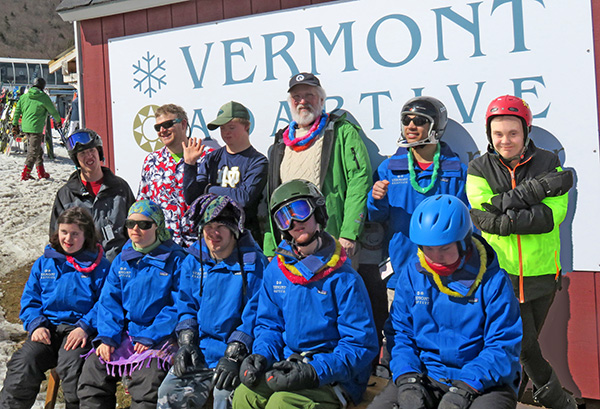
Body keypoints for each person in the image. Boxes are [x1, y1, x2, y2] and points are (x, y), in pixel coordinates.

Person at [466, 95, 574, 409]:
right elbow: (482, 212)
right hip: (503, 274)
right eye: (498, 134)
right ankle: (559, 402)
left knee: (525, 348)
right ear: (489, 135)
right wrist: (533, 193)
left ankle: (509, 399)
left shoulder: (547, 161)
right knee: (523, 346)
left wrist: (506, 217)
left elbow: (554, 215)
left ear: (525, 132)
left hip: (543, 273)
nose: (505, 140)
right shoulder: (478, 167)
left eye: (513, 133)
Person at [232, 179, 379, 409]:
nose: (294, 222)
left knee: (281, 404)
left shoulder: (344, 278)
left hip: (332, 376)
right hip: (288, 365)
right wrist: (261, 356)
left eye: (300, 211)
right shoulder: (277, 271)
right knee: (244, 395)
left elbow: (360, 345)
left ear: (318, 212)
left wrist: (313, 371)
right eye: (284, 217)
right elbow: (269, 326)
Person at [369, 194, 522, 409]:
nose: (434, 257)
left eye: (444, 248)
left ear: (464, 242)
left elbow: (502, 345)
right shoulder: (413, 275)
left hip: (485, 382)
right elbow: (400, 334)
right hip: (427, 375)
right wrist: (408, 379)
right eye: (427, 249)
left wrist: (465, 388)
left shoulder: (493, 281)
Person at [157, 194, 268, 409]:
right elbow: (186, 304)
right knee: (168, 392)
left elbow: (256, 314)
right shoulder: (193, 260)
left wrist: (236, 352)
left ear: (234, 229)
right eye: (208, 225)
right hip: (200, 351)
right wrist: (187, 341)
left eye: (221, 226)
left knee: (224, 397)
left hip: (235, 355)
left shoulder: (254, 264)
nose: (213, 233)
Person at [77, 200, 187, 409]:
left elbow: (178, 305)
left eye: (144, 224)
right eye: (130, 223)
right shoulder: (122, 259)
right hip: (126, 332)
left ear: (158, 226)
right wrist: (108, 336)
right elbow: (110, 301)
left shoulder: (176, 260)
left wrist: (152, 335)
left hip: (159, 336)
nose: (136, 229)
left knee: (148, 379)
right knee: (94, 370)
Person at [0, 207, 110, 409]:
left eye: (75, 233)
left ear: (85, 235)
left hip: (78, 330)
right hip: (47, 328)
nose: (68, 238)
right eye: (64, 232)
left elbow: (106, 303)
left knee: (73, 366)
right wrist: (36, 324)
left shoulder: (100, 266)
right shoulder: (45, 263)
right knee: (24, 362)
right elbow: (30, 299)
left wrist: (85, 326)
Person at [367, 96, 468, 302]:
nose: (411, 126)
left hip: (448, 273)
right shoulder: (389, 169)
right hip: (402, 270)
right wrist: (375, 199)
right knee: (399, 331)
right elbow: (376, 217)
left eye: (420, 121)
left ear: (436, 127)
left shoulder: (457, 171)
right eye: (406, 120)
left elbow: (466, 224)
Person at [263, 72, 372, 260]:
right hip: (290, 243)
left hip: (332, 240)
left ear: (321, 100)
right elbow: (270, 197)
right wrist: (271, 246)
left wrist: (349, 233)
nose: (302, 101)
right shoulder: (281, 141)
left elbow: (359, 182)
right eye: (296, 97)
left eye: (309, 95)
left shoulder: (341, 131)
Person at [182, 101, 268, 241]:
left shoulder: (258, 161)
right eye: (222, 128)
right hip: (212, 238)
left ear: (247, 126)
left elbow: (243, 198)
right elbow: (192, 197)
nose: (226, 132)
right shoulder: (212, 158)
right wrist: (190, 165)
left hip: (245, 239)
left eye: (231, 127)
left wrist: (210, 189)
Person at [50, 128, 135, 262]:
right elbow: (56, 238)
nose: (89, 156)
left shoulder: (120, 188)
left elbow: (134, 229)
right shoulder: (66, 195)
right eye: (82, 153)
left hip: (117, 265)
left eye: (92, 151)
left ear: (99, 152)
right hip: (82, 268)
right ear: (76, 159)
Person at [138, 103, 212, 247]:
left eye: (167, 124)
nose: (162, 130)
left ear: (183, 124)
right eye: (157, 127)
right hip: (164, 245)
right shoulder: (151, 161)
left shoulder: (207, 156)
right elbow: (143, 202)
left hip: (200, 245)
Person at [12, 77, 61, 180]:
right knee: (33, 152)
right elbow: (53, 111)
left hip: (25, 127)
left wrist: (15, 125)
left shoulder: (24, 97)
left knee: (38, 150)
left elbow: (17, 112)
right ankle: (25, 174)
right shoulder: (43, 97)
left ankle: (41, 173)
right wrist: (58, 121)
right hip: (36, 128)